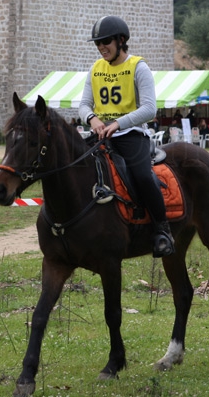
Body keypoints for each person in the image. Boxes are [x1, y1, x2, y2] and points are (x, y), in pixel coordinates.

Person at [79, 15, 175, 258]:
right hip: (100, 135)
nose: (101, 47)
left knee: (143, 175)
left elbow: (150, 109)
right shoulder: (95, 68)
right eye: (97, 43)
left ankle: (162, 230)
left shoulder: (139, 67)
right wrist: (92, 119)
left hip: (131, 135)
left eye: (106, 42)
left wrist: (118, 123)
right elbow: (84, 105)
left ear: (121, 40)